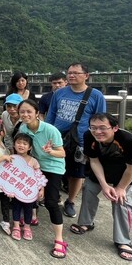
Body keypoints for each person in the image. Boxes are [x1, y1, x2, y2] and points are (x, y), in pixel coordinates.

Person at [70, 113, 132, 261]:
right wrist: (103, 185)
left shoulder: (128, 140)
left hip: (126, 169)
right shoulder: (89, 136)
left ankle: (123, 241)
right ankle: (85, 223)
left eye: (103, 128)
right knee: (89, 188)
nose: (97, 132)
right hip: (102, 164)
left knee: (121, 200)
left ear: (115, 128)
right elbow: (94, 161)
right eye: (93, 128)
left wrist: (120, 188)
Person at [45, 62, 106, 219]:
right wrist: (47, 135)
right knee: (54, 169)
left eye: (75, 73)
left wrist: (96, 140)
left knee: (77, 174)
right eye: (69, 72)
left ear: (86, 76)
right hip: (58, 138)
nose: (71, 75)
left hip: (81, 141)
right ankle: (54, 198)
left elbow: (100, 119)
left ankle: (70, 201)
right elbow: (51, 114)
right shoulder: (59, 93)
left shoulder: (96, 95)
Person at [18, 99, 68, 258]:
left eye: (29, 112)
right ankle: (32, 217)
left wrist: (50, 152)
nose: (25, 115)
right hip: (34, 164)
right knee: (27, 193)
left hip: (53, 166)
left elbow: (62, 153)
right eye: (22, 112)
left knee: (51, 202)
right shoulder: (23, 128)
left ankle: (59, 239)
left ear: (37, 113)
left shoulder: (50, 130)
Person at [9, 133, 41, 241]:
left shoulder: (33, 161)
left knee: (28, 209)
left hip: (29, 192)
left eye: (25, 143)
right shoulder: (11, 159)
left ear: (30, 147)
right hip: (16, 191)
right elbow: (7, 176)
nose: (21, 145)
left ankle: (27, 227)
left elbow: (38, 176)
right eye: (18, 143)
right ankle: (16, 226)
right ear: (14, 145)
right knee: (16, 208)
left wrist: (41, 189)